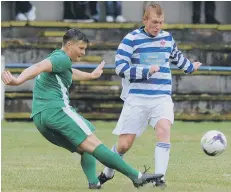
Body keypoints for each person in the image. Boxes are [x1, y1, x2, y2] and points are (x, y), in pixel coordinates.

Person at [1, 28, 163, 190]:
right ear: (69, 45)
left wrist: (91, 76)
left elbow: (70, 72)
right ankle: (137, 176)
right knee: (96, 144)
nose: (84, 52)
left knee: (86, 148)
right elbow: (38, 66)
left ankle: (94, 183)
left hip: (40, 118)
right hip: (57, 111)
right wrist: (17, 81)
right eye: (81, 48)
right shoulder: (62, 58)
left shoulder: (59, 60)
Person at [98, 3, 202, 188]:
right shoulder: (131, 39)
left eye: (161, 22)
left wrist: (190, 67)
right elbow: (120, 68)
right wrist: (145, 70)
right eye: (154, 22)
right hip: (137, 98)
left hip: (161, 97)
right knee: (123, 145)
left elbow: (178, 58)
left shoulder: (167, 39)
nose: (158, 26)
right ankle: (108, 172)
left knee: (164, 130)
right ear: (145, 19)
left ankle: (160, 178)